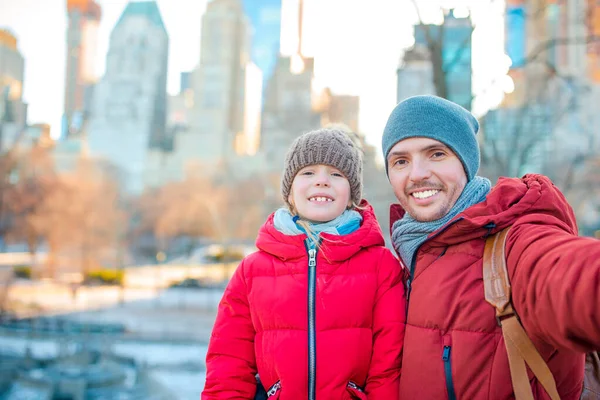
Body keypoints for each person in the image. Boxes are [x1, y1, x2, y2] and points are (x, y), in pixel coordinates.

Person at [381, 95, 600, 399]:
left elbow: (569, 277)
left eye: (436, 154)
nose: (417, 174)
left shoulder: (512, 242)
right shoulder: (403, 259)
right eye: (401, 161)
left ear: (465, 164)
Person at [202, 128, 406, 399]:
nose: (321, 181)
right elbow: (227, 362)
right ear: (290, 191)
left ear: (352, 193)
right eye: (308, 173)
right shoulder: (251, 272)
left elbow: (389, 366)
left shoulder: (382, 267)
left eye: (336, 174)